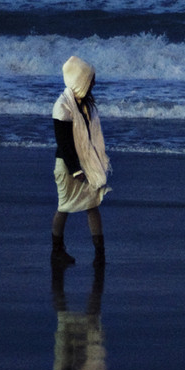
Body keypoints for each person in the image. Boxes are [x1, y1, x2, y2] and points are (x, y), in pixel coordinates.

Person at [50, 55, 112, 266]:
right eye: (90, 79)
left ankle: (100, 254)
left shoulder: (85, 105)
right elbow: (64, 143)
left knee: (93, 204)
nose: (94, 82)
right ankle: (56, 251)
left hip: (85, 164)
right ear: (80, 81)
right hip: (68, 167)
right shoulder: (63, 107)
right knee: (64, 207)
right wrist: (76, 170)